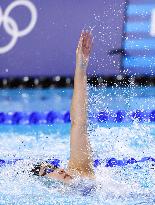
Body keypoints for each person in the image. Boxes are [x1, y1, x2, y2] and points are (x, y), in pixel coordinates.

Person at [31, 31, 94, 183]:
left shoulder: (80, 171)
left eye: (53, 166)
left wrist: (81, 66)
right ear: (46, 183)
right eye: (48, 171)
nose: (58, 170)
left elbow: (78, 122)